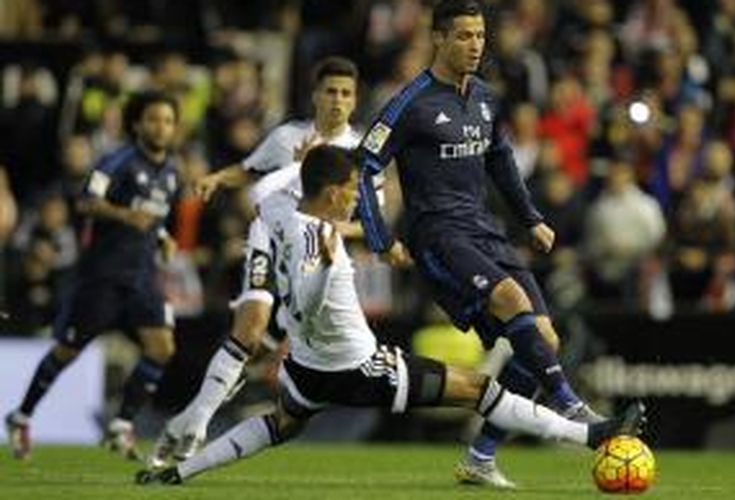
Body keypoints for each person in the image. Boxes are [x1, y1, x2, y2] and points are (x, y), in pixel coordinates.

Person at [135, 145, 645, 486]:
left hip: (308, 369)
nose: (358, 196)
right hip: (357, 365)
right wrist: (306, 313)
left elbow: (261, 195)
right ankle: (591, 436)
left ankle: (179, 474)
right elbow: (313, 285)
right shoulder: (325, 238)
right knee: (478, 390)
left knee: (281, 424)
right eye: (354, 187)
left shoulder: (279, 219)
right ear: (333, 191)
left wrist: (290, 332)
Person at [357, 0, 602, 489]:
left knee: (544, 342)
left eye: (481, 36)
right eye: (465, 36)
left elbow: (501, 160)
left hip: (486, 230)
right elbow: (363, 167)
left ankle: (481, 456)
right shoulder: (410, 102)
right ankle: (573, 408)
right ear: (439, 38)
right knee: (514, 304)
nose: (475, 46)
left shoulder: (487, 96)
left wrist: (530, 218)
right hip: (439, 235)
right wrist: (381, 238)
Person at [147, 57, 365, 466]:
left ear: (355, 101)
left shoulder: (363, 152)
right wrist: (215, 178)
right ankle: (197, 426)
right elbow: (249, 170)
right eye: (331, 91)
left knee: (263, 349)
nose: (337, 100)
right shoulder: (287, 137)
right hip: (269, 239)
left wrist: (333, 231)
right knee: (249, 328)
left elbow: (368, 223)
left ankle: (186, 419)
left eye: (346, 93)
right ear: (315, 95)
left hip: (314, 258)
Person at [5, 91, 181, 460]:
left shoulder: (171, 172)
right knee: (68, 351)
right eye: (153, 119)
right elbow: (86, 201)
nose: (161, 127)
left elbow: (155, 218)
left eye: (167, 121)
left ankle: (120, 427)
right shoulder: (116, 162)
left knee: (162, 348)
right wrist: (123, 215)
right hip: (103, 275)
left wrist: (163, 238)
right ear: (137, 124)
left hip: (143, 277)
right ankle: (21, 416)